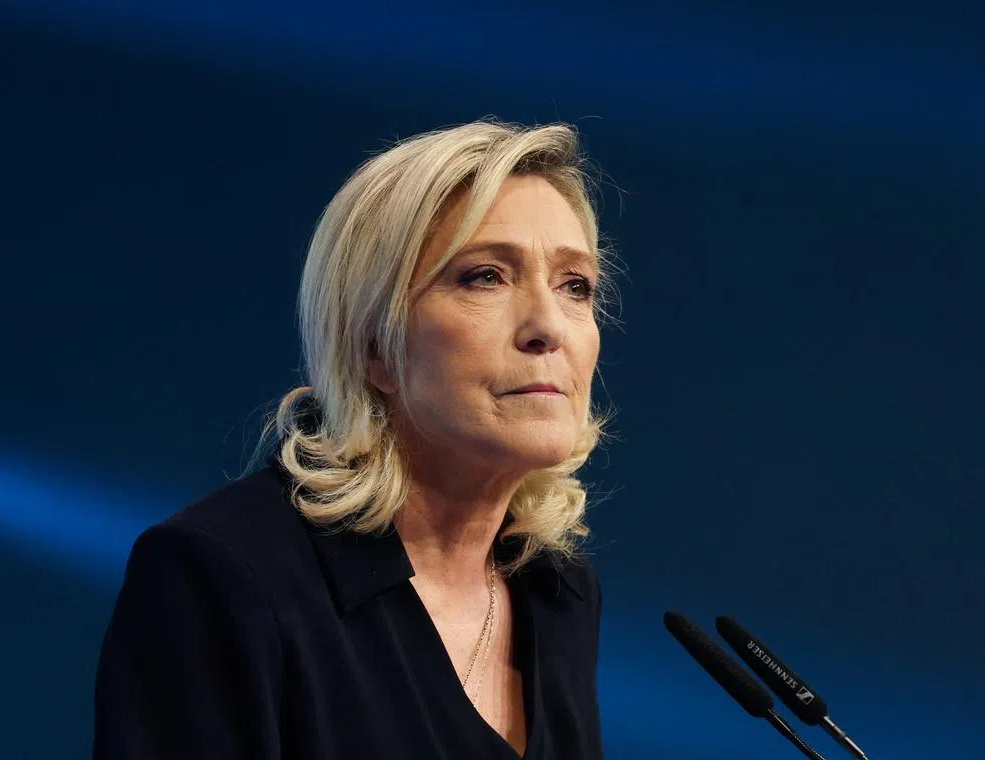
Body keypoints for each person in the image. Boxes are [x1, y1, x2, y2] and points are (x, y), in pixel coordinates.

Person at [93, 119, 619, 759]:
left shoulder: (556, 588)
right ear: (373, 344)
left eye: (575, 286)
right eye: (485, 276)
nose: (548, 327)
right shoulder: (223, 577)